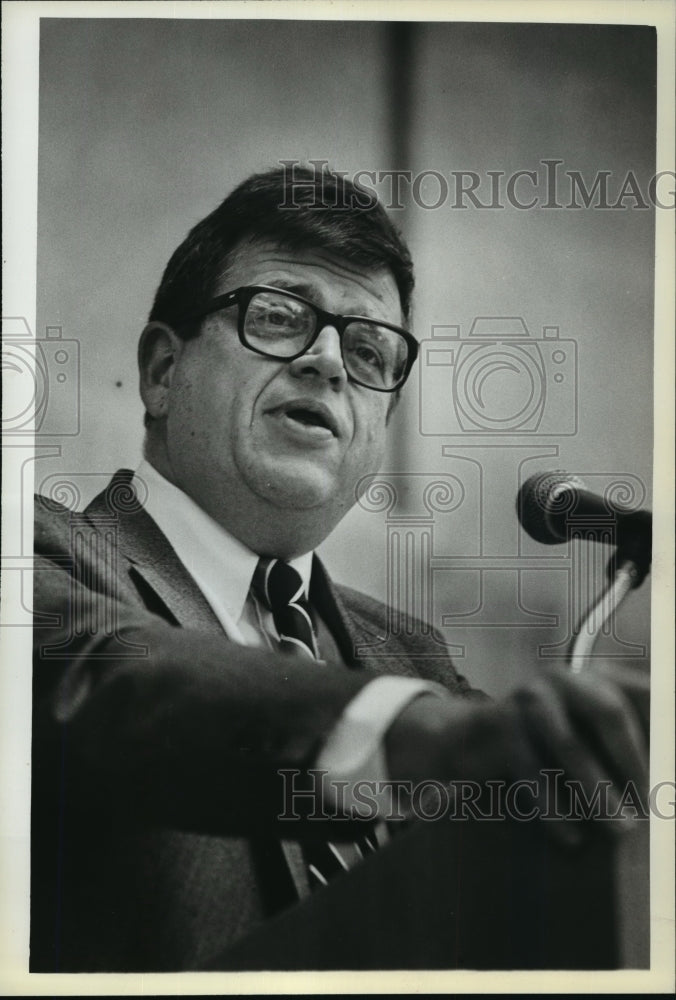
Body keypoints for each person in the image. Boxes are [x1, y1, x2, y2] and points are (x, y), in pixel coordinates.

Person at [31, 165, 647, 972]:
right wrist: (422, 735)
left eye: (368, 349)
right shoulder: (40, 554)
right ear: (161, 371)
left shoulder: (412, 654)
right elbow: (110, 684)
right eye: (280, 318)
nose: (327, 362)